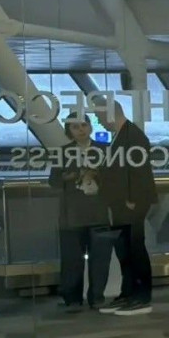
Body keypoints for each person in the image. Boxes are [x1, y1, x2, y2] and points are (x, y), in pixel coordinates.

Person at [95, 101, 158, 316]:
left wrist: (132, 199)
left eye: (100, 117)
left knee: (135, 248)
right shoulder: (122, 135)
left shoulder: (133, 137)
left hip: (131, 203)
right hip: (122, 203)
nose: (100, 122)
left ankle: (141, 297)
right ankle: (129, 293)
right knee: (125, 249)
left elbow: (139, 172)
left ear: (111, 114)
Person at [48, 114, 110, 312]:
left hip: (99, 212)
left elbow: (115, 179)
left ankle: (97, 297)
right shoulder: (62, 152)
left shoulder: (106, 150)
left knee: (100, 259)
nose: (81, 129)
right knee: (72, 259)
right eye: (75, 127)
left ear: (90, 127)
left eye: (84, 125)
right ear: (69, 131)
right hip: (72, 214)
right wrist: (67, 178)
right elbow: (53, 182)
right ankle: (73, 299)